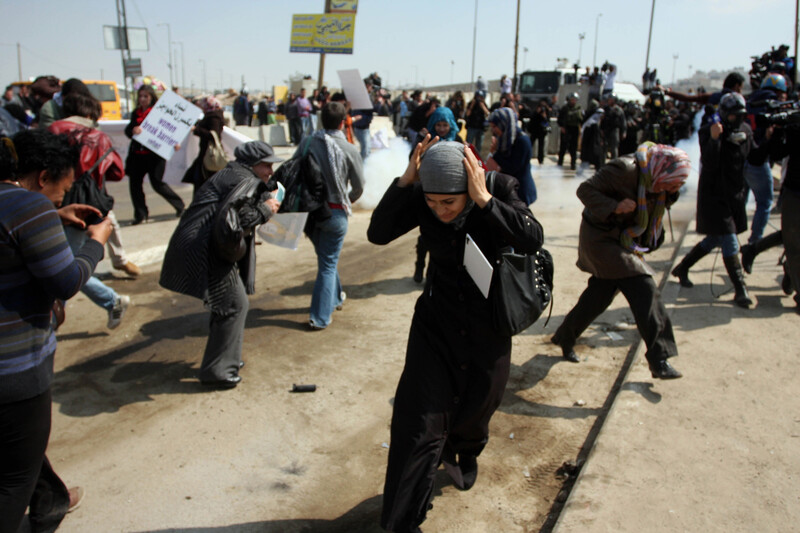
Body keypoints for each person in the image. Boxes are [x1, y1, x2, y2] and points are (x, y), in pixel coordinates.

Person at [367, 139, 544, 532]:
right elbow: (378, 233)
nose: (439, 211)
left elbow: (532, 237)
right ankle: (403, 521)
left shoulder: (498, 188)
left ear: (470, 184)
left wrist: (484, 201)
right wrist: (405, 181)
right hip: (436, 323)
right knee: (418, 423)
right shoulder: (422, 195)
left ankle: (465, 448)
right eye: (431, 203)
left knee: (480, 406)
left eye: (449, 203)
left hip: (489, 325)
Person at [0, 129, 112, 533]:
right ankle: (44, 509)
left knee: (19, 452)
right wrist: (95, 244)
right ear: (42, 176)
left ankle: (51, 500)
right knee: (14, 480)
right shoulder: (27, 207)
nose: (61, 200)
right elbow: (64, 281)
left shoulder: (25, 209)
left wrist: (53, 216)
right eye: (61, 192)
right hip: (14, 369)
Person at [553, 142, 692, 378]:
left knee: (598, 297)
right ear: (661, 170)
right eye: (673, 182)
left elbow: (657, 201)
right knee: (644, 285)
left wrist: (670, 193)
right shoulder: (625, 169)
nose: (673, 187)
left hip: (625, 239)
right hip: (601, 238)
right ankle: (659, 358)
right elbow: (584, 190)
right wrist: (614, 206)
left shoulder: (657, 181)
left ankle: (565, 336)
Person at [160, 141, 282, 388]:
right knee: (234, 304)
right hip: (208, 249)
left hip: (203, 244)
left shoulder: (235, 173)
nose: (270, 171)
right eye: (266, 165)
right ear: (251, 164)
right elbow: (242, 217)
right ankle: (218, 370)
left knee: (227, 305)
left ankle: (227, 360)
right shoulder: (245, 180)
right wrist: (267, 209)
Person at [671, 93, 768, 308]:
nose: (737, 120)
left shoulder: (745, 131)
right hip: (714, 196)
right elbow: (709, 161)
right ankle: (740, 288)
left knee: (716, 238)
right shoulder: (709, 131)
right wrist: (715, 138)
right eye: (733, 116)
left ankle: (682, 268)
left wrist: (771, 138)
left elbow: (756, 157)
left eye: (740, 116)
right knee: (729, 239)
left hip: (734, 195)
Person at [49, 93, 136, 327]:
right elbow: (117, 172)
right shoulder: (100, 137)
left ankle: (53, 323)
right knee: (67, 264)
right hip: (90, 208)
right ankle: (109, 301)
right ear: (90, 114)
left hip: (60, 206)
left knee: (64, 267)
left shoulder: (55, 129)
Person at [300, 102, 364, 330]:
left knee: (326, 259)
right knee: (327, 264)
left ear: (320, 120)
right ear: (342, 122)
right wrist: (348, 199)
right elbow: (358, 187)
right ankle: (320, 317)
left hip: (310, 215)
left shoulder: (307, 143)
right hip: (335, 213)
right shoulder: (349, 149)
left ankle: (335, 298)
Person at [124, 84, 186, 225]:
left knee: (157, 183)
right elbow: (128, 131)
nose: (143, 99)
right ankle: (140, 214)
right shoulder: (136, 113)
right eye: (140, 96)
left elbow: (170, 130)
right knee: (135, 185)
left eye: (146, 96)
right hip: (137, 155)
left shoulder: (159, 112)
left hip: (154, 156)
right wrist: (133, 130)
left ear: (151, 97)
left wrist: (174, 142)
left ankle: (179, 205)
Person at [486, 107, 537, 205]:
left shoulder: (522, 141)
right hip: (509, 189)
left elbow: (512, 168)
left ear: (503, 124)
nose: (493, 130)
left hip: (521, 191)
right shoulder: (504, 139)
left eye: (495, 126)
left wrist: (496, 153)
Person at [182, 95, 225, 193]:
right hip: (205, 154)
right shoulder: (211, 115)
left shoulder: (214, 117)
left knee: (201, 182)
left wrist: (196, 130)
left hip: (208, 154)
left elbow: (213, 135)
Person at [558, 92, 583, 170]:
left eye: (574, 100)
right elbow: (559, 119)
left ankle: (573, 164)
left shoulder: (578, 109)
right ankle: (560, 163)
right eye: (572, 100)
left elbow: (581, 120)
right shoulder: (565, 108)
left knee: (573, 148)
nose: (573, 101)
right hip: (566, 129)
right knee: (563, 147)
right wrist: (562, 127)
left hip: (574, 129)